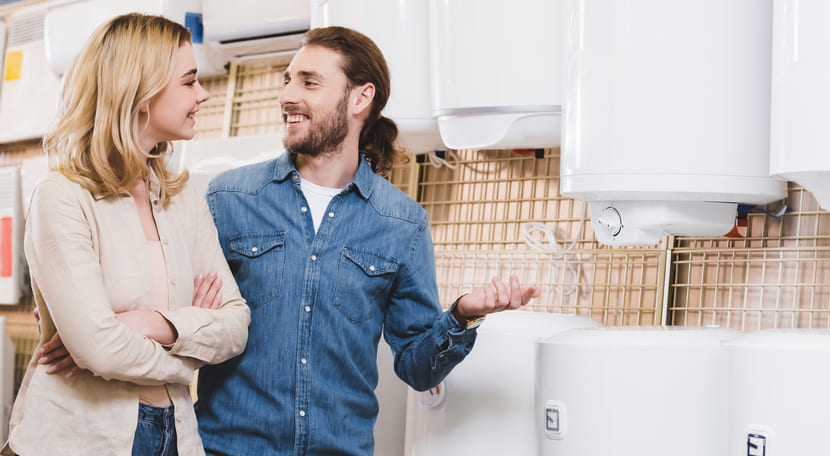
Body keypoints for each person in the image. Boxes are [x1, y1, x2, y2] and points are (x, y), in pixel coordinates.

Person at [194, 26, 540, 455]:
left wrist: (463, 315)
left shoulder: (401, 222)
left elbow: (417, 368)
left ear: (360, 98)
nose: (287, 95)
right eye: (287, 79)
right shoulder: (230, 199)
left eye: (309, 82)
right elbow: (191, 319)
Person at [4, 14, 251, 456]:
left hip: (176, 434)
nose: (203, 94)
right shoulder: (61, 196)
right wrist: (190, 352)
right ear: (142, 91)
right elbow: (100, 351)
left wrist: (151, 323)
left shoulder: (185, 197)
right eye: (189, 81)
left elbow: (235, 326)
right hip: (77, 439)